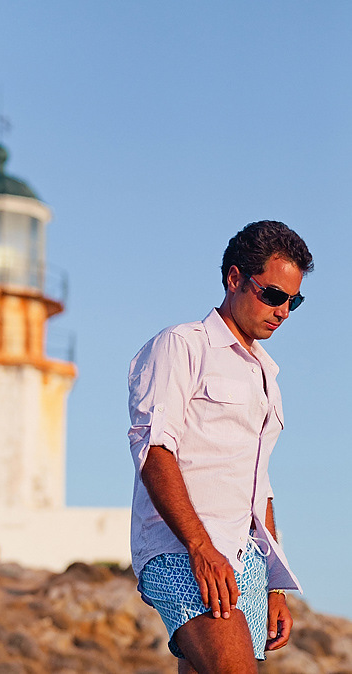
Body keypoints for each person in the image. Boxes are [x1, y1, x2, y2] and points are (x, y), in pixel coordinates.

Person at [127, 221, 313, 673]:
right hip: (184, 550)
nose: (283, 311)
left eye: (294, 300)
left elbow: (257, 483)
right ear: (234, 279)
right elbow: (154, 451)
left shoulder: (266, 374)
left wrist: (271, 583)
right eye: (272, 295)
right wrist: (200, 548)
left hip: (245, 559)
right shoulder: (181, 346)